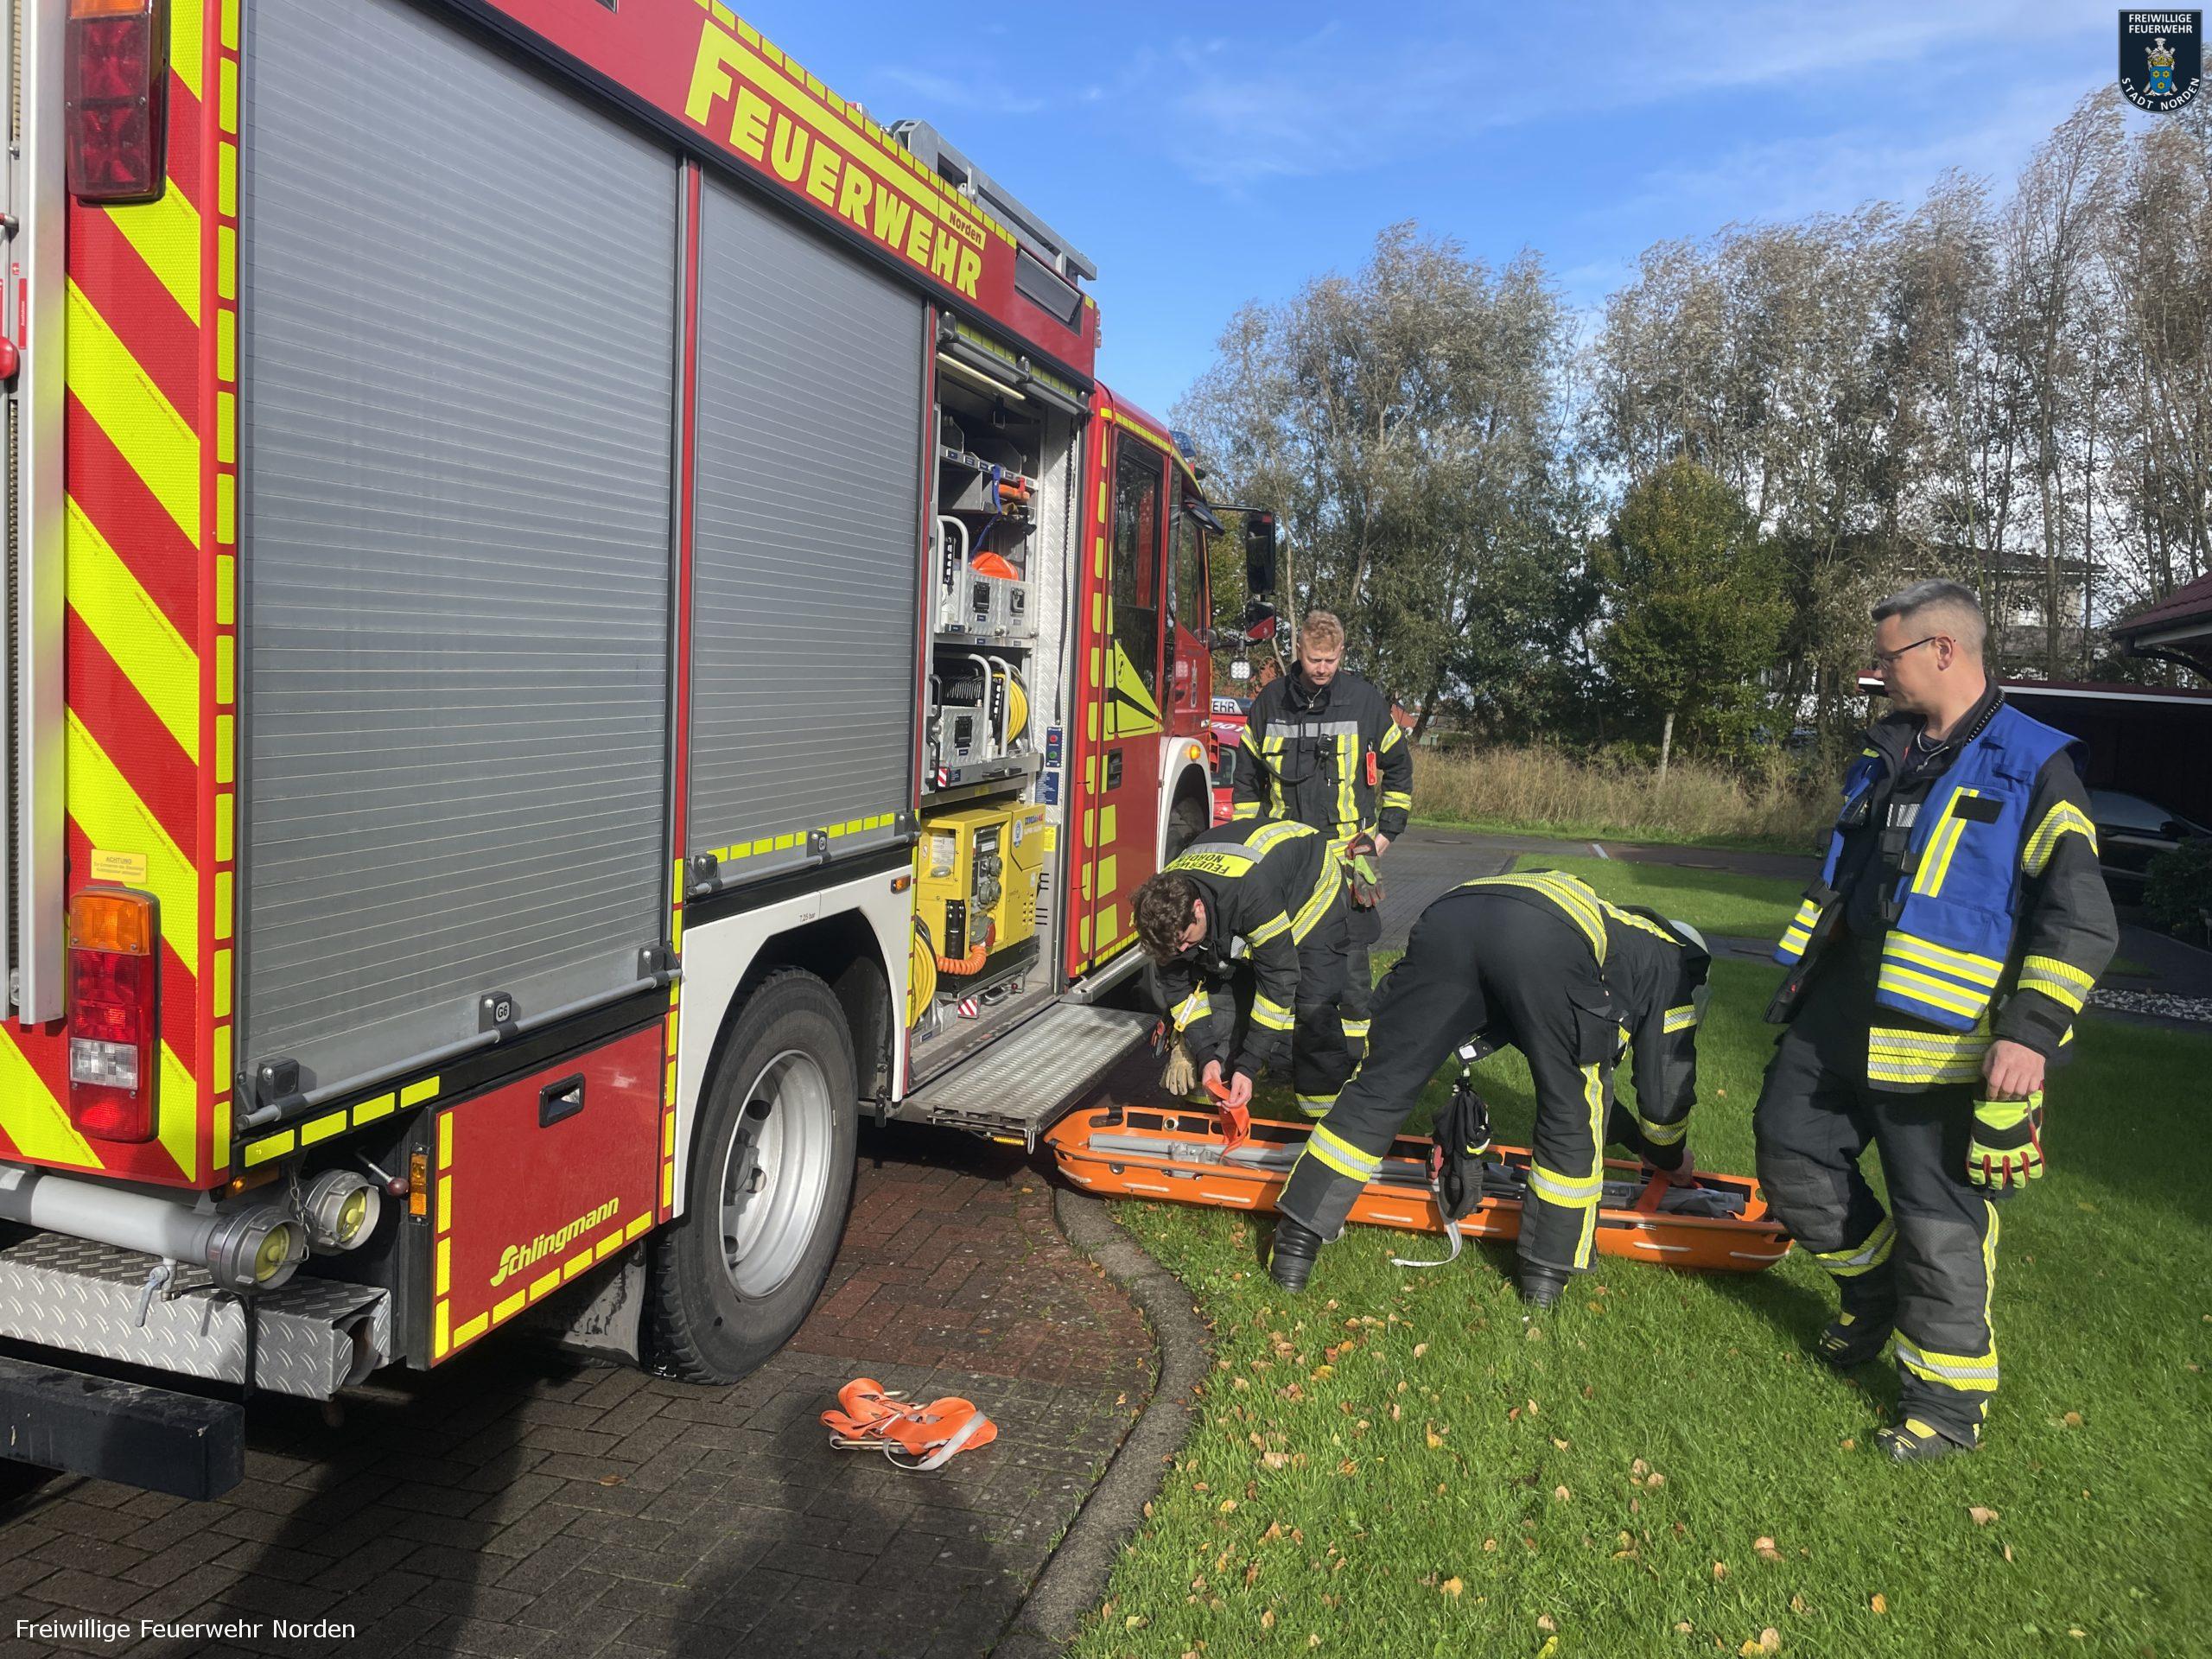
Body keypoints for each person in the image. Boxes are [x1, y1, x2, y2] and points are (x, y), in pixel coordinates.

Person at [1755, 580, 2117, 1463]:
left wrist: (2029, 1032)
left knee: (1938, 1219)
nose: (1877, 671)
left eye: (1889, 657)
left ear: (1944, 650)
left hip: (1944, 1038)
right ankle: (1873, 1293)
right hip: (1839, 1009)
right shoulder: (1884, 752)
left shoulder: (2034, 764)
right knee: (1788, 1151)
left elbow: (2080, 917)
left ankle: (1946, 1409)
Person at [1268, 868, 1712, 1306]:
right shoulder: (1669, 961)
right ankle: (1544, 1277)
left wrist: (1636, 1143)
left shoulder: (1616, 935)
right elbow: (1663, 1090)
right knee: (1571, 1110)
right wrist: (1668, 1156)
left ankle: (1295, 1242)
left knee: (1379, 1088)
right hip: (1537, 935)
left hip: (1451, 914)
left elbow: (1557, 1053)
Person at [1232, 611, 1413, 1065]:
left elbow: (1399, 768)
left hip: (1357, 855)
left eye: (1331, 660)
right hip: (1287, 858)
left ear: (1341, 654)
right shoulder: (1270, 702)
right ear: (1299, 651)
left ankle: (1352, 1056)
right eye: (1315, 659)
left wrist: (1386, 835)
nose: (1322, 669)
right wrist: (1250, 845)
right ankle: (1282, 1056)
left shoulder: (1365, 701)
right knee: (1280, 950)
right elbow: (1246, 782)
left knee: (1354, 958)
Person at [1132, 819, 1353, 1119]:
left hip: (1311, 890)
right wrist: (1204, 1054)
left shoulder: (1251, 897)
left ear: (1198, 909)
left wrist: (1249, 1066)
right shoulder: (1166, 915)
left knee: (1315, 1004)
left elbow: (1278, 982)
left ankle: (1325, 1117)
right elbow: (1180, 990)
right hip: (1249, 893)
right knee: (1223, 1000)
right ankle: (1212, 1114)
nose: (1182, 952)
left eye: (1185, 942)